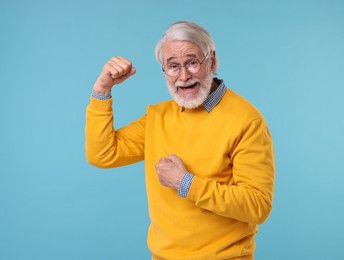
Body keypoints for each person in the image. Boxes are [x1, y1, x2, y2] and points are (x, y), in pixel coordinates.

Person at [85, 21, 275, 260]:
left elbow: (257, 206)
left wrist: (186, 183)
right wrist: (102, 89)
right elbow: (102, 154)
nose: (184, 76)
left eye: (192, 63)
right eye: (173, 66)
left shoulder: (246, 120)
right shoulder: (157, 117)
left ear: (212, 61)